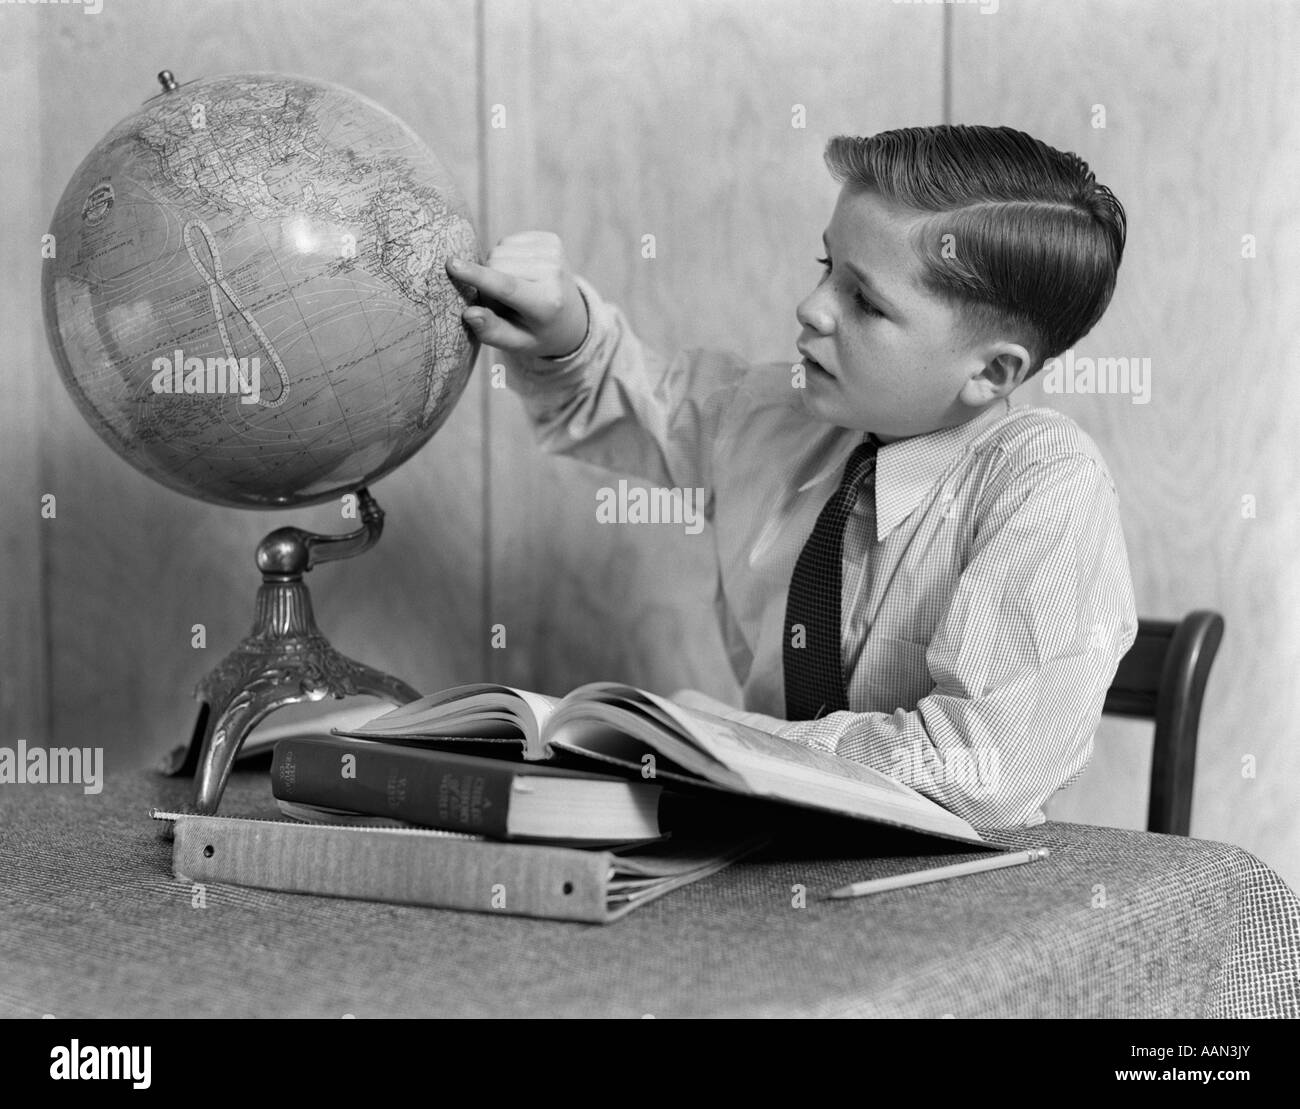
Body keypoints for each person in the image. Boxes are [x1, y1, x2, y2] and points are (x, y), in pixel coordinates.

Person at [445, 125, 1137, 831]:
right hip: (768, 850)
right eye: (825, 265)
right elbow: (636, 399)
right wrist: (563, 326)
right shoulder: (775, 416)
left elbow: (981, 769)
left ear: (992, 372)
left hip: (956, 889)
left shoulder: (1045, 482)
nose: (811, 307)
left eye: (866, 302)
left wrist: (716, 737)